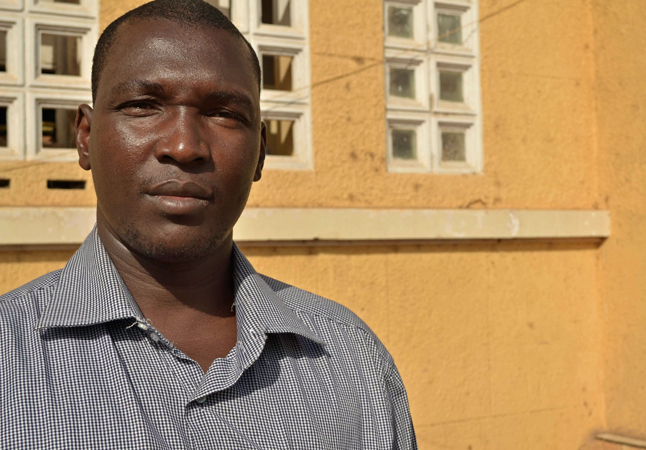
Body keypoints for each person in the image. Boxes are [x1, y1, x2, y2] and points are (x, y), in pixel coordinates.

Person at [0, 0, 417, 448]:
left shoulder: (352, 360)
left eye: (224, 114)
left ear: (260, 153)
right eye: (143, 106)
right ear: (85, 137)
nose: (184, 147)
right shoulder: (10, 353)